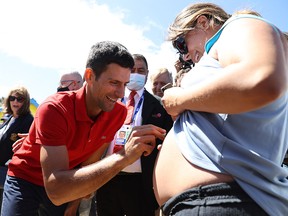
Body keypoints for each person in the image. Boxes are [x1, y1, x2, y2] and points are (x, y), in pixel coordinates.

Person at [1, 41, 166, 216]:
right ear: (89, 76)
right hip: (25, 179)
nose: (120, 93)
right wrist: (124, 156)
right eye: (114, 82)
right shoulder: (55, 108)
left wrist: (74, 204)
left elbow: (90, 163)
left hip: (66, 183)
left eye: (124, 84)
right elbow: (57, 190)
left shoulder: (117, 113)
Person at [153, 3, 288, 216]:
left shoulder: (239, 25)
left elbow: (261, 78)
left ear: (203, 21)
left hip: (221, 201)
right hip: (206, 202)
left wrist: (178, 99)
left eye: (181, 44)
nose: (185, 56)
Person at [96, 54, 173, 216]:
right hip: (107, 177)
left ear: (146, 74)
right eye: (132, 70)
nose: (136, 74)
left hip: (140, 183)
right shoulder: (109, 100)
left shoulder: (160, 105)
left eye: (141, 70)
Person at [0, 86, 34, 212]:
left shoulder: (28, 121)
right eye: (12, 98)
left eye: (20, 99)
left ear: (26, 102)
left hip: (9, 172)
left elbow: (26, 149)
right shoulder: (9, 118)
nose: (15, 102)